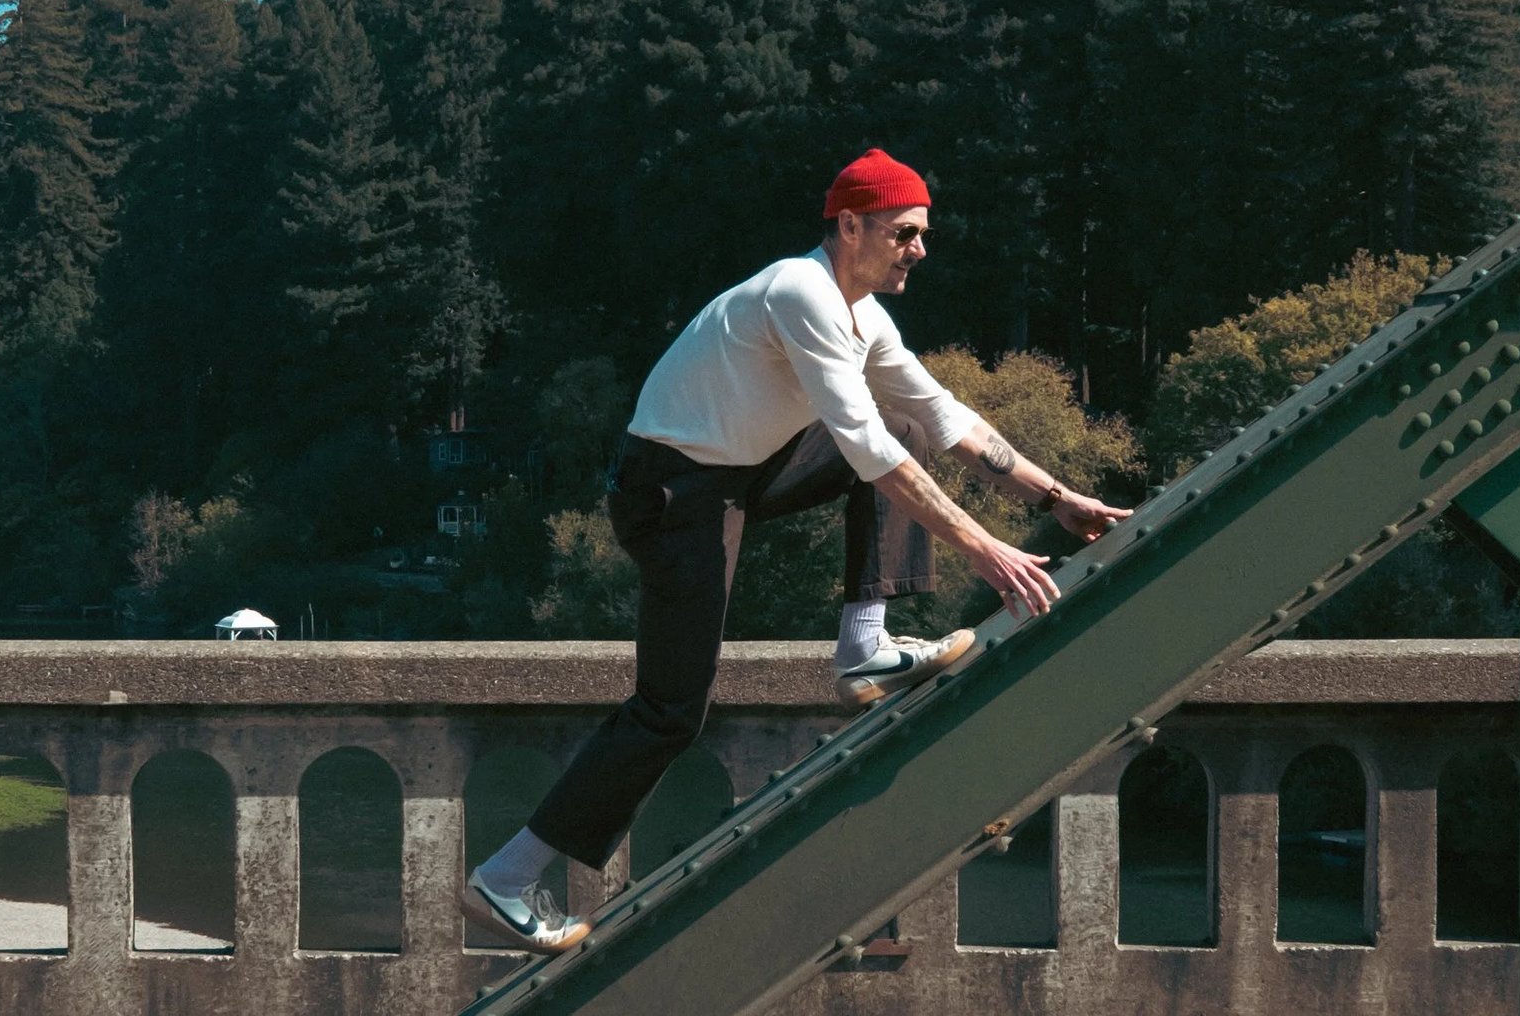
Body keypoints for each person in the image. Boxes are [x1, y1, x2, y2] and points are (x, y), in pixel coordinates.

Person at [460, 148, 1129, 953]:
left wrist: (1058, 501)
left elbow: (944, 419)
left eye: (922, 234)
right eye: (905, 233)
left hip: (739, 475)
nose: (920, 248)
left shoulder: (865, 315)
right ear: (851, 225)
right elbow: (868, 451)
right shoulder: (800, 292)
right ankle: (504, 878)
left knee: (910, 426)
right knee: (673, 709)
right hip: (670, 495)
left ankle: (863, 649)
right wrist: (987, 549)